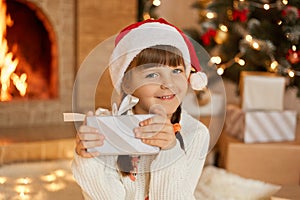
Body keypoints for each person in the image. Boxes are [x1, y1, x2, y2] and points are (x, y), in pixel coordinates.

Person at [71, 18, 210, 200]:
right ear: (127, 83)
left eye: (176, 71)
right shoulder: (107, 127)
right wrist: (88, 160)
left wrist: (170, 149)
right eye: (152, 74)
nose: (168, 83)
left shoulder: (196, 134)